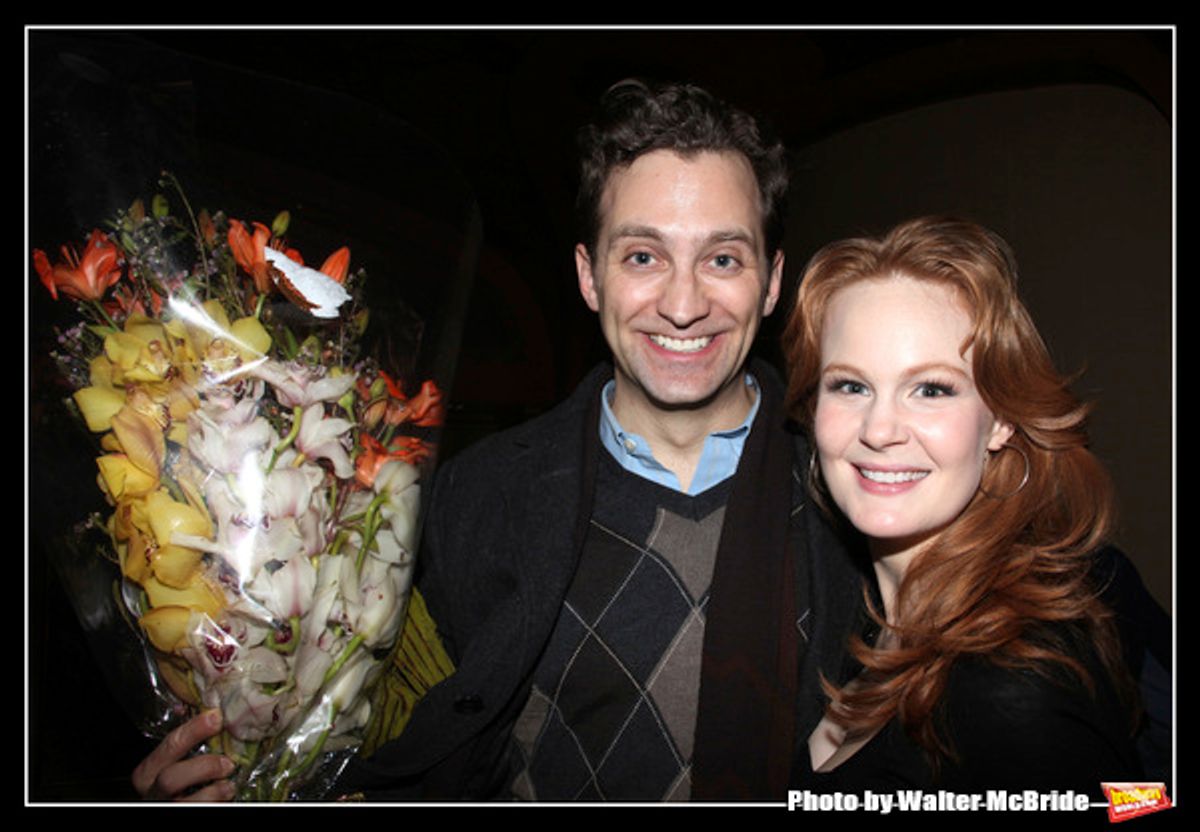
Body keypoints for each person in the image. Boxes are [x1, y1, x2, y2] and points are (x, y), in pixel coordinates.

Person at [132, 79, 868, 802]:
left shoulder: (860, 499)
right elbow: (391, 727)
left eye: (723, 259)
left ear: (771, 283)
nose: (682, 304)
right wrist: (249, 764)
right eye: (643, 256)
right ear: (589, 277)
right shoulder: (475, 494)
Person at [781, 216, 1147, 794]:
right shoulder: (853, 616)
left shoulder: (1013, 689)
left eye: (931, 389)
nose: (879, 430)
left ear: (1000, 419)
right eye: (850, 385)